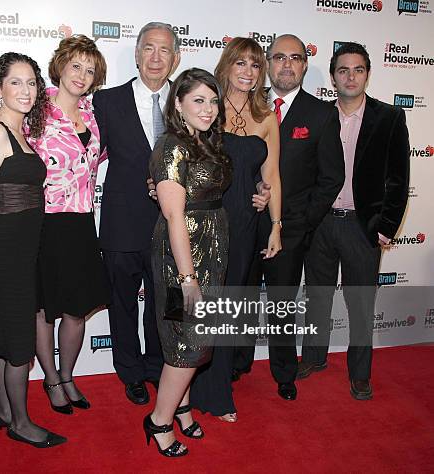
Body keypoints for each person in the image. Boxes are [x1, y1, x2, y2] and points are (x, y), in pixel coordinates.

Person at [236, 34, 345, 401]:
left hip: (290, 228)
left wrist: (300, 222)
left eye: (295, 58)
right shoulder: (245, 104)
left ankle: (284, 372)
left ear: (304, 64)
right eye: (278, 57)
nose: (286, 64)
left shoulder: (321, 114)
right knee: (241, 300)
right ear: (267, 62)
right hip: (243, 224)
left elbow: (332, 178)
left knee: (282, 305)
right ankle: (238, 363)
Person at [0, 52, 66, 448]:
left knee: (8, 340)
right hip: (5, 254)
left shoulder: (19, 132)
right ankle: (21, 423)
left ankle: (7, 411)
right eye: (16, 82)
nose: (26, 90)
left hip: (22, 252)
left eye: (31, 82)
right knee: (19, 342)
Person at [299, 42, 410, 400]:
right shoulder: (318, 116)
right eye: (343, 70)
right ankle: (313, 358)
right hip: (321, 224)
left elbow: (398, 178)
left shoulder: (390, 117)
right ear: (333, 77)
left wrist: (386, 225)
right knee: (317, 297)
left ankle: (360, 373)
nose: (350, 76)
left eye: (358, 69)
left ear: (367, 74)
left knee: (361, 304)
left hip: (363, 227)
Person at [190, 37, 281, 422]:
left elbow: (271, 174)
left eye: (255, 65)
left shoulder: (266, 116)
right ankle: (187, 383)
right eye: (241, 63)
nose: (247, 72)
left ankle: (218, 391)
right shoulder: (209, 106)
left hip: (245, 223)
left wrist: (275, 223)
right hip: (209, 218)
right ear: (226, 65)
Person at [144, 68, 232, 457]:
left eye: (213, 101)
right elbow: (175, 216)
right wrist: (187, 279)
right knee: (188, 342)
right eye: (198, 100)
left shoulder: (206, 142)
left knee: (200, 337)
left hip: (211, 248)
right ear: (177, 104)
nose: (208, 108)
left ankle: (180, 406)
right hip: (183, 254)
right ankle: (158, 420)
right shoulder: (171, 146)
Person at [92, 22, 180, 405]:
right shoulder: (106, 102)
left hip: (172, 225)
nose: (156, 57)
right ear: (137, 53)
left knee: (162, 305)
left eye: (164, 50)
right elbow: (83, 154)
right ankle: (130, 372)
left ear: (176, 58)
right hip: (121, 223)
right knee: (122, 303)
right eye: (149, 48)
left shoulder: (188, 99)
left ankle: (156, 366)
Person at [24, 35, 109, 415]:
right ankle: (51, 378)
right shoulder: (36, 110)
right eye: (76, 65)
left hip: (80, 222)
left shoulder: (92, 113)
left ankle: (68, 374)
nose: (82, 75)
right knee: (43, 309)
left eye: (90, 70)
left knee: (76, 309)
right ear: (59, 66)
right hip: (43, 222)